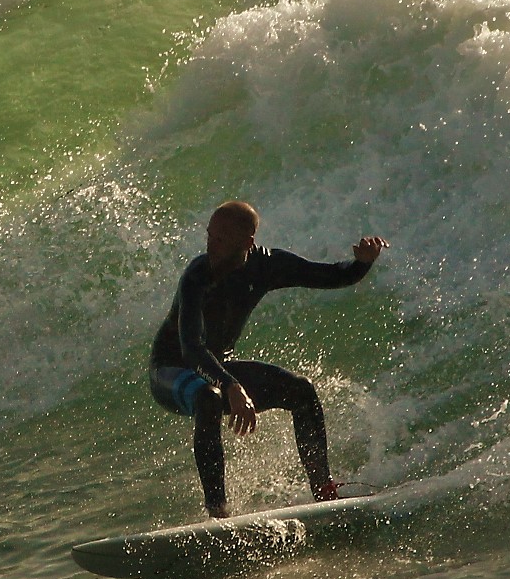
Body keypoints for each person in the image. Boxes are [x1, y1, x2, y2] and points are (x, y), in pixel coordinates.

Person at [149, 200, 386, 518]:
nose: (211, 245)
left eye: (221, 239)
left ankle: (324, 491)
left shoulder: (266, 265)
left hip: (218, 367)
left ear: (247, 243)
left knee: (301, 390)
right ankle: (218, 513)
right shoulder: (197, 277)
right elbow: (191, 347)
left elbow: (329, 276)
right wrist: (232, 386)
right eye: (210, 236)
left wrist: (362, 265)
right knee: (208, 396)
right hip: (171, 370)